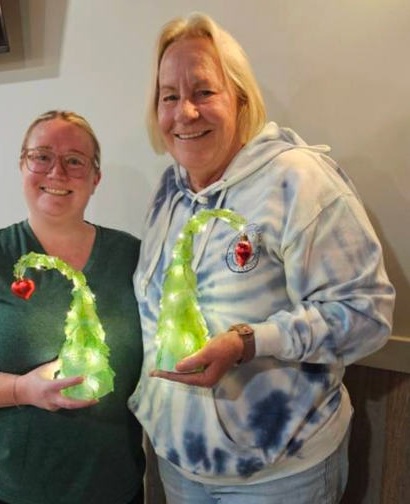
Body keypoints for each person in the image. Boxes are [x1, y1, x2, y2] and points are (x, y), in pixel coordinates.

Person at [128, 12, 395, 504]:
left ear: (240, 99)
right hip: (180, 466)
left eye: (204, 91)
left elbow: (366, 313)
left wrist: (248, 342)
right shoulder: (169, 192)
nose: (185, 112)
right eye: (169, 96)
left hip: (280, 475)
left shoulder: (297, 180)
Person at [0, 110, 145, 504]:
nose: (57, 171)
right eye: (41, 156)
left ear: (96, 178)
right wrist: (23, 389)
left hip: (111, 487)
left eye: (75, 160)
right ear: (23, 166)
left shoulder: (132, 257)